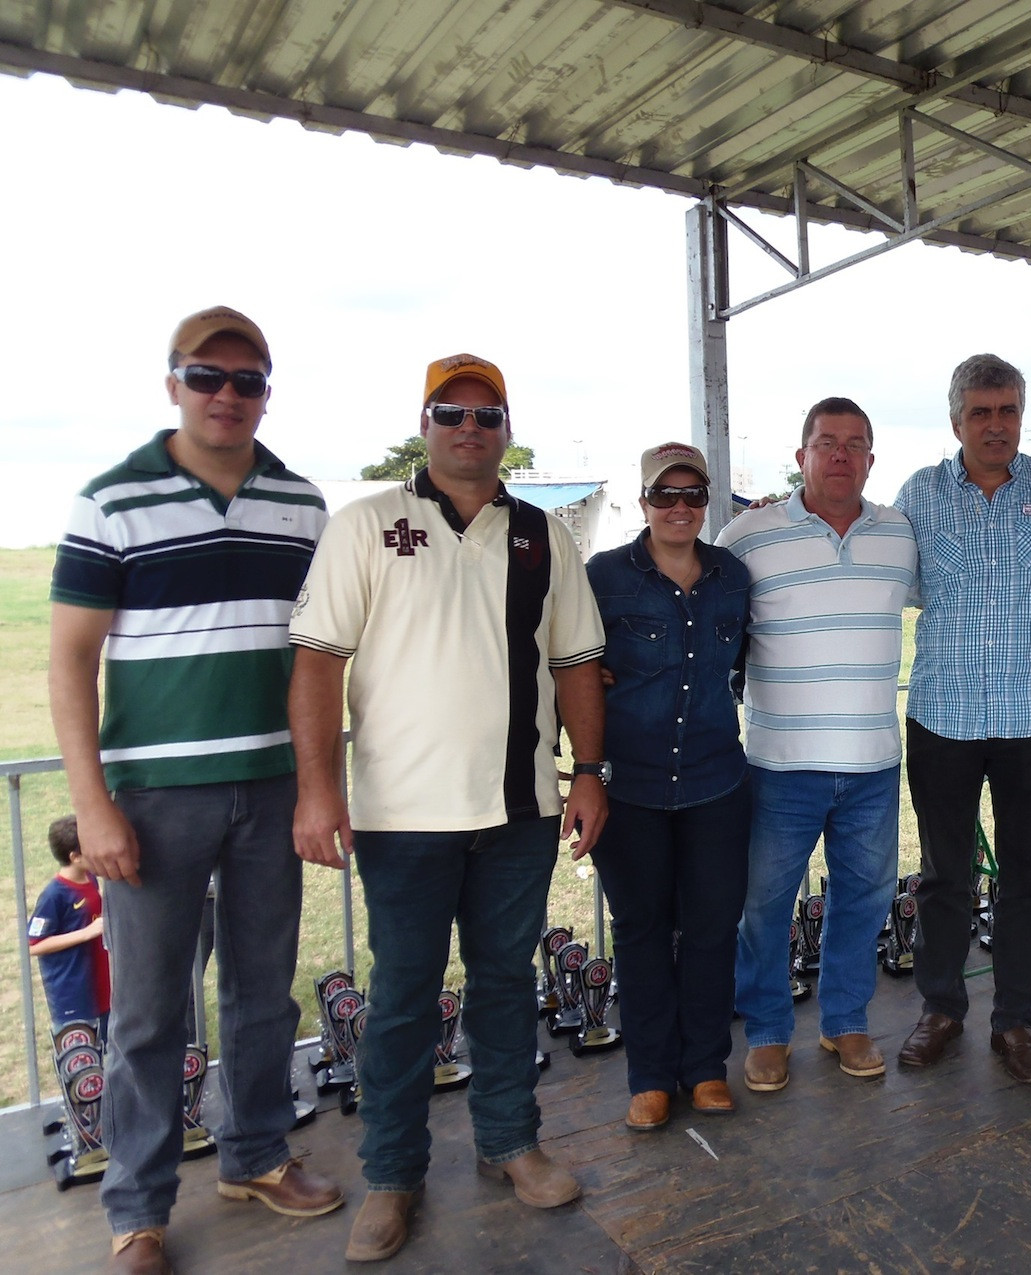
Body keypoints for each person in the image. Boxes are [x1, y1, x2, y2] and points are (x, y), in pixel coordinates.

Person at [289, 353, 608, 1262]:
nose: (470, 427)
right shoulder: (366, 524)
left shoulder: (543, 535)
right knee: (401, 998)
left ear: (507, 428)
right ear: (424, 423)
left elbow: (577, 664)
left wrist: (590, 772)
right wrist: (318, 788)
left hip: (519, 811)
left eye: (487, 413)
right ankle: (392, 1174)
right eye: (451, 412)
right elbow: (317, 660)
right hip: (401, 818)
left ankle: (511, 1142)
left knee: (506, 985)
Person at [49, 306, 341, 1275]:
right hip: (153, 800)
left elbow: (319, 655)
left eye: (247, 380)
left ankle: (254, 1154)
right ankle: (137, 1209)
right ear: (171, 382)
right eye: (206, 376)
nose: (226, 395)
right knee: (146, 1012)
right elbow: (69, 661)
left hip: (271, 787)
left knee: (262, 990)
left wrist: (317, 786)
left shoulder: (301, 504)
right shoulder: (111, 500)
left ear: (266, 392)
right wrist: (93, 805)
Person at [892, 354, 1031, 1084]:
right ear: (956, 421)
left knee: (1026, 877)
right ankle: (941, 1009)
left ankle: (1015, 1019)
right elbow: (886, 574)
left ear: (1021, 414)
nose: (995, 425)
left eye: (1006, 410)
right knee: (943, 876)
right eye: (980, 412)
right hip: (942, 717)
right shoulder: (919, 494)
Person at [717, 398, 918, 1093]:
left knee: (864, 900)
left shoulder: (900, 533)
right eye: (826, 442)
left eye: (854, 444)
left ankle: (845, 1020)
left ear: (871, 459)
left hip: (872, 764)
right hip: (780, 766)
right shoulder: (748, 534)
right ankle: (768, 1031)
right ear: (800, 455)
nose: (840, 455)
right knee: (764, 906)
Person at [585, 442, 751, 1131]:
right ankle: (651, 1077)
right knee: (642, 929)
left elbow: (744, 660)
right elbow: (571, 662)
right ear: (643, 501)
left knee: (712, 927)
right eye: (665, 494)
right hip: (630, 785)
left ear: (706, 501)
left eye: (693, 494)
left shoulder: (733, 576)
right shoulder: (603, 576)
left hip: (715, 780)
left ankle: (706, 1068)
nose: (679, 507)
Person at [28, 815, 111, 1034]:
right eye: (91, 848)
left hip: (101, 986)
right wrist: (86, 933)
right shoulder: (54, 896)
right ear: (74, 857)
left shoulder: (90, 877)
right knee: (82, 1051)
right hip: (74, 996)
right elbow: (34, 945)